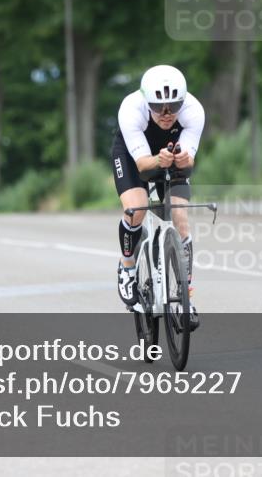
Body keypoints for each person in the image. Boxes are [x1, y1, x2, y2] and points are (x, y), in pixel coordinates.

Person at [111, 65, 204, 330]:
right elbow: (142, 166)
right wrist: (157, 159)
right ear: (146, 102)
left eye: (173, 106)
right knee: (135, 209)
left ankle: (186, 295)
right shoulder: (131, 109)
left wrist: (184, 160)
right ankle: (127, 268)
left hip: (169, 154)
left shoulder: (194, 110)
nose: (165, 114)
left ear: (182, 102)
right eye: (158, 106)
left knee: (180, 216)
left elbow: (187, 164)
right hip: (133, 156)